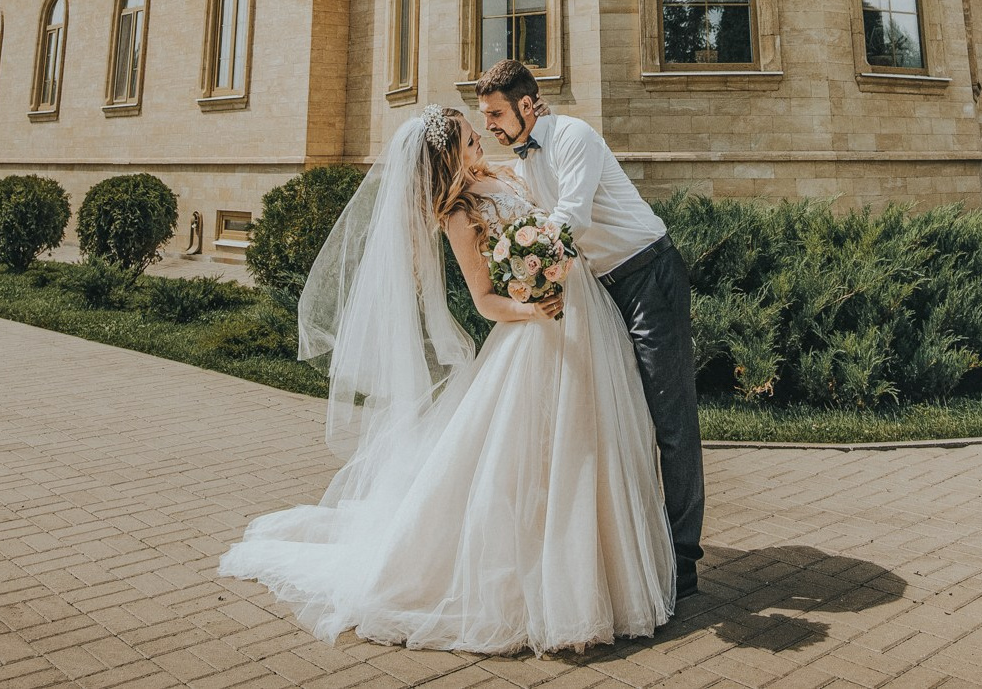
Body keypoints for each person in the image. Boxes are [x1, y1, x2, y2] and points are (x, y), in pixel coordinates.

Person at [216, 106, 675, 655]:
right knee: (543, 455)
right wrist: (532, 308)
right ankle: (549, 584)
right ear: (447, 152)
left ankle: (598, 565)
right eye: (467, 134)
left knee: (590, 444)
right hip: (537, 331)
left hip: (584, 314)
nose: (478, 135)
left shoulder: (502, 173)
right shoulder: (459, 212)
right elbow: (484, 300)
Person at [476, 59, 705, 598]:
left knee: (670, 419)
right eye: (484, 116)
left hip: (648, 275)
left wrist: (524, 259)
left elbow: (571, 217)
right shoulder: (527, 158)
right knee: (620, 416)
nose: (488, 125)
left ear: (527, 105)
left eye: (495, 114)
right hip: (602, 289)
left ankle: (683, 559)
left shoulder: (574, 137)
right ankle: (641, 547)